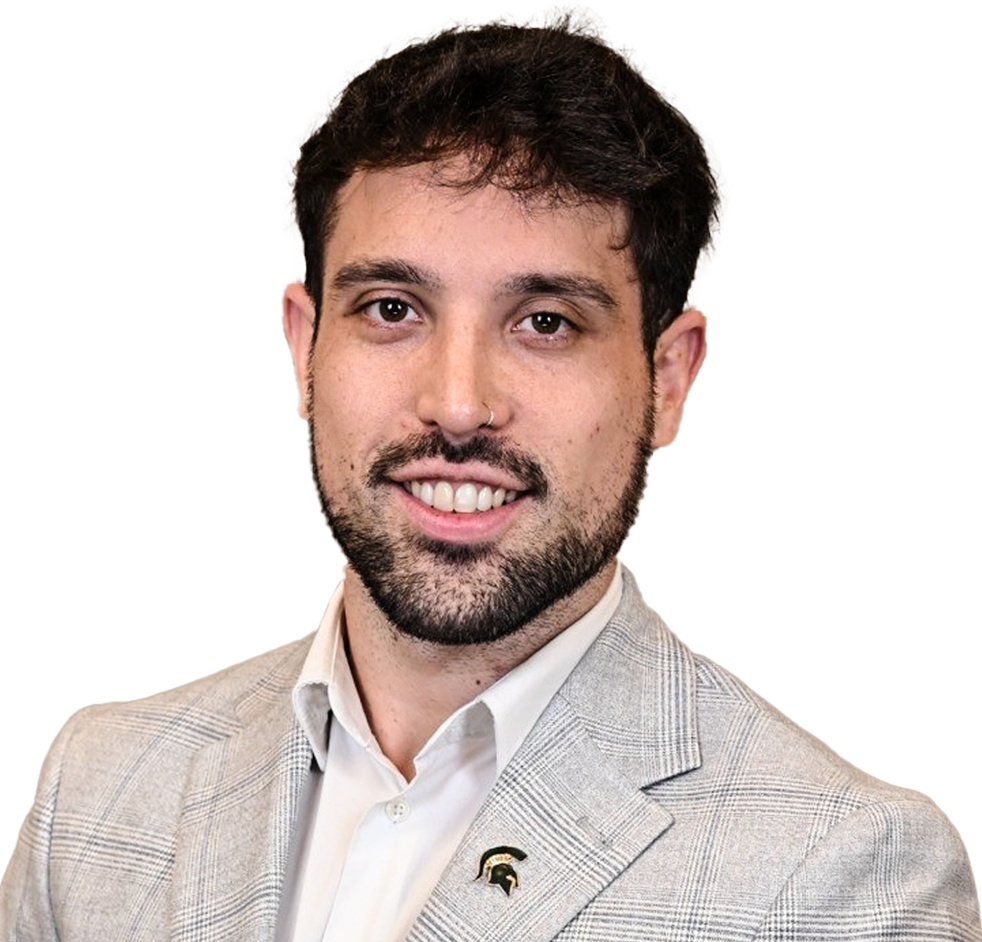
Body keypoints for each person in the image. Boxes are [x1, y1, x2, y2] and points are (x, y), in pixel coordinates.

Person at [1, 10, 979, 941]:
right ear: (305, 351)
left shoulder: (847, 881)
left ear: (667, 380)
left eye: (546, 321)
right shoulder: (102, 793)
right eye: (391, 309)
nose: (458, 402)